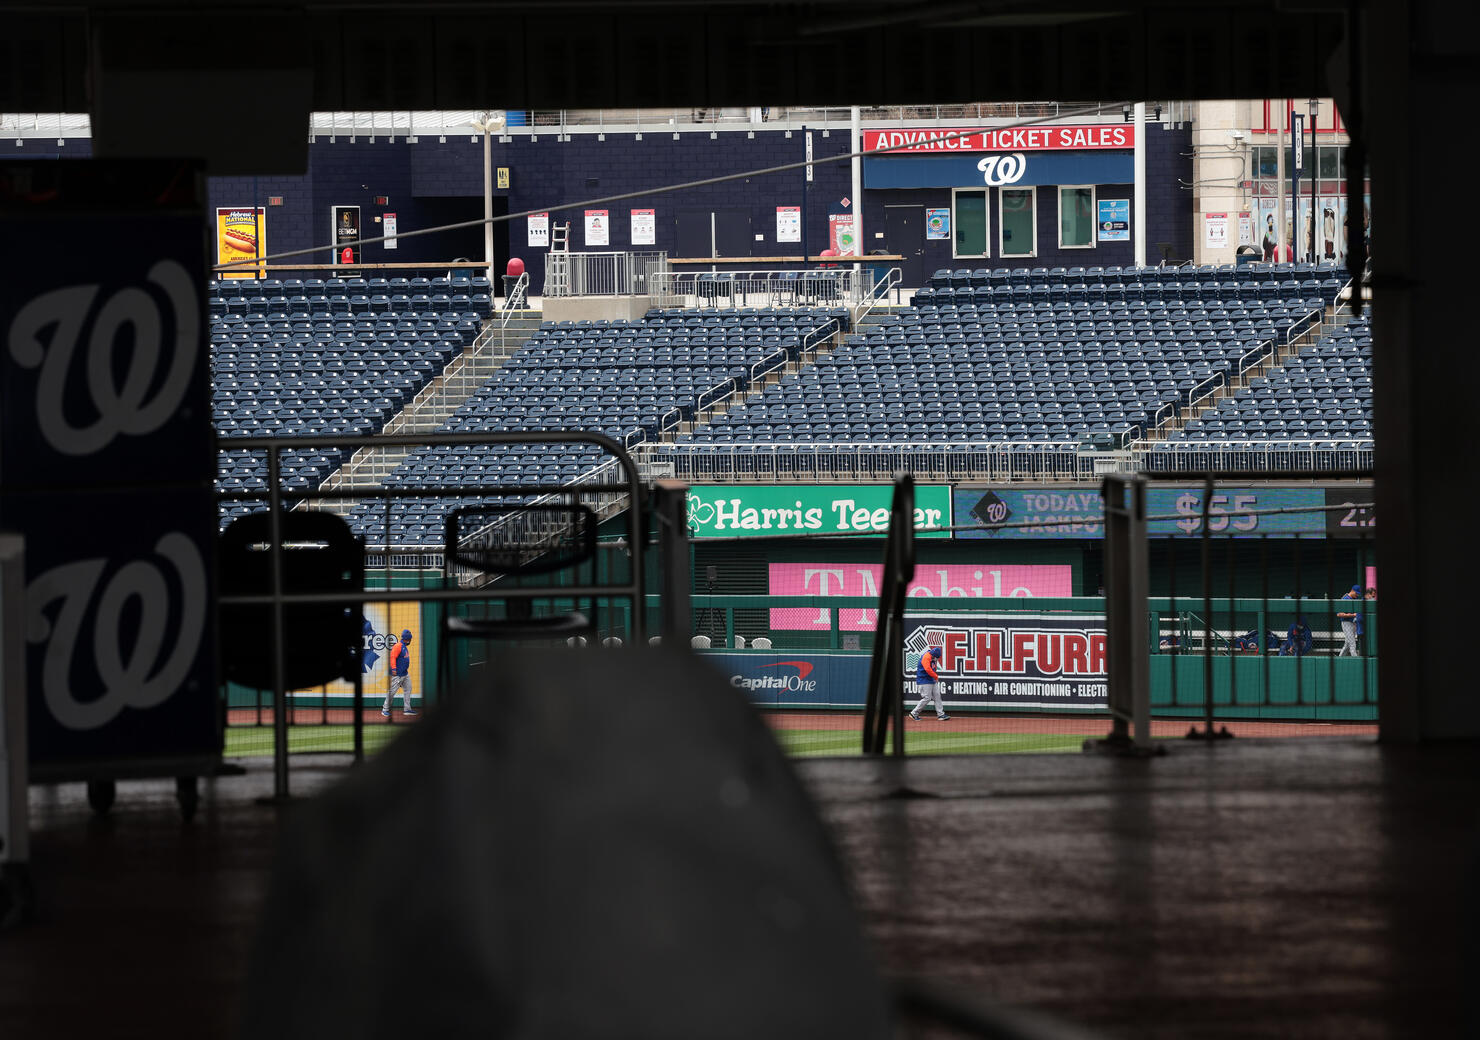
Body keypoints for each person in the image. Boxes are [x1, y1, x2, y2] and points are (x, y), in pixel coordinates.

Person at [909, 644, 950, 721]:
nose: (936, 659)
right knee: (927, 698)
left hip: (931, 679)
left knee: (937, 696)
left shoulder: (933, 656)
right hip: (924, 680)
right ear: (934, 654)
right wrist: (935, 676)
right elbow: (927, 669)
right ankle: (914, 713)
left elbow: (933, 668)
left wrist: (934, 677)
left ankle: (941, 714)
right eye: (936, 657)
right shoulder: (926, 657)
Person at [381, 629, 418, 717]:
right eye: (410, 639)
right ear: (407, 639)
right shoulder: (398, 646)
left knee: (408, 689)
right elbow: (393, 657)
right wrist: (394, 669)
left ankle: (407, 709)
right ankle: (385, 709)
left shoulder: (404, 646)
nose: (410, 640)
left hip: (405, 673)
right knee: (392, 691)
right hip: (397, 674)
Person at [1336, 585, 1361, 657]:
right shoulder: (1345, 599)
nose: (1357, 595)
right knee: (1352, 643)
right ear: (1352, 590)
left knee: (1347, 643)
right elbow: (1339, 614)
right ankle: (1356, 660)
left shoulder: (1355, 599)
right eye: (1356, 593)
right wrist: (1352, 615)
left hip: (1354, 623)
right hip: (1346, 623)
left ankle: (1339, 658)